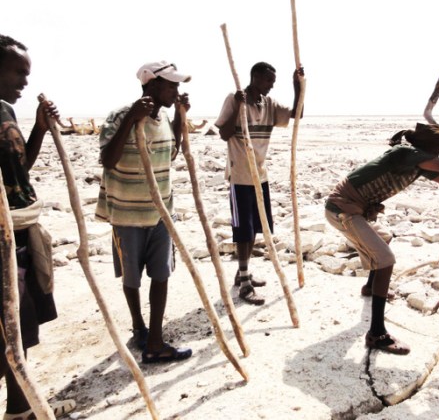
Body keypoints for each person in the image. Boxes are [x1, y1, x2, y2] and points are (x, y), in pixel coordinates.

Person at [325, 123, 439, 354]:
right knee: (385, 260)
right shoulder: (406, 153)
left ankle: (371, 287)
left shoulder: (418, 163)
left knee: (384, 237)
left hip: (352, 209)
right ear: (427, 147)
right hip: (342, 209)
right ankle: (376, 333)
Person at [95, 61, 192, 363]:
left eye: (177, 85)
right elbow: (107, 160)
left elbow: (171, 152)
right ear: (151, 84)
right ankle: (139, 327)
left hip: (161, 211)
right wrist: (131, 119)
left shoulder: (163, 118)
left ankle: (155, 340)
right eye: (171, 85)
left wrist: (180, 118)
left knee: (161, 274)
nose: (176, 90)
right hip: (127, 214)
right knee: (132, 277)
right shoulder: (120, 115)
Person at [0, 34, 76, 418]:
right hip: (1, 239)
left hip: (18, 233)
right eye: (18, 72)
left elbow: (20, 168)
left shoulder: (5, 111)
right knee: (6, 328)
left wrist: (41, 128)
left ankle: (20, 410)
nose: (25, 81)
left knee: (18, 326)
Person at [216, 62, 304, 305]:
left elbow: (297, 114)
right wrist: (238, 106)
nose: (271, 86)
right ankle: (244, 284)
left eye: (273, 82)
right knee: (242, 230)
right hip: (240, 176)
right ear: (254, 77)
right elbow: (224, 134)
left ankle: (242, 272)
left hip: (260, 176)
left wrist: (298, 87)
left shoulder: (269, 104)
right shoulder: (234, 99)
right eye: (267, 81)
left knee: (256, 227)